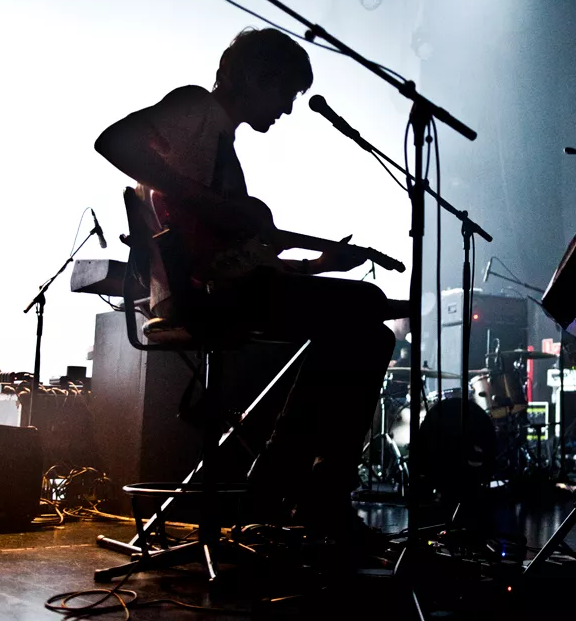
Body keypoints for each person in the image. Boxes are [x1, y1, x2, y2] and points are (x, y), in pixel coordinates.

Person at [94, 27, 402, 544]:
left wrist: (318, 265)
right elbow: (112, 142)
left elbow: (241, 263)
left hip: (224, 291)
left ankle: (289, 485)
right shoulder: (196, 108)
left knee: (371, 334)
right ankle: (302, 489)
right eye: (284, 93)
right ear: (259, 78)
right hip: (199, 298)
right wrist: (207, 202)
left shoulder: (221, 148)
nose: (285, 109)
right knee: (367, 306)